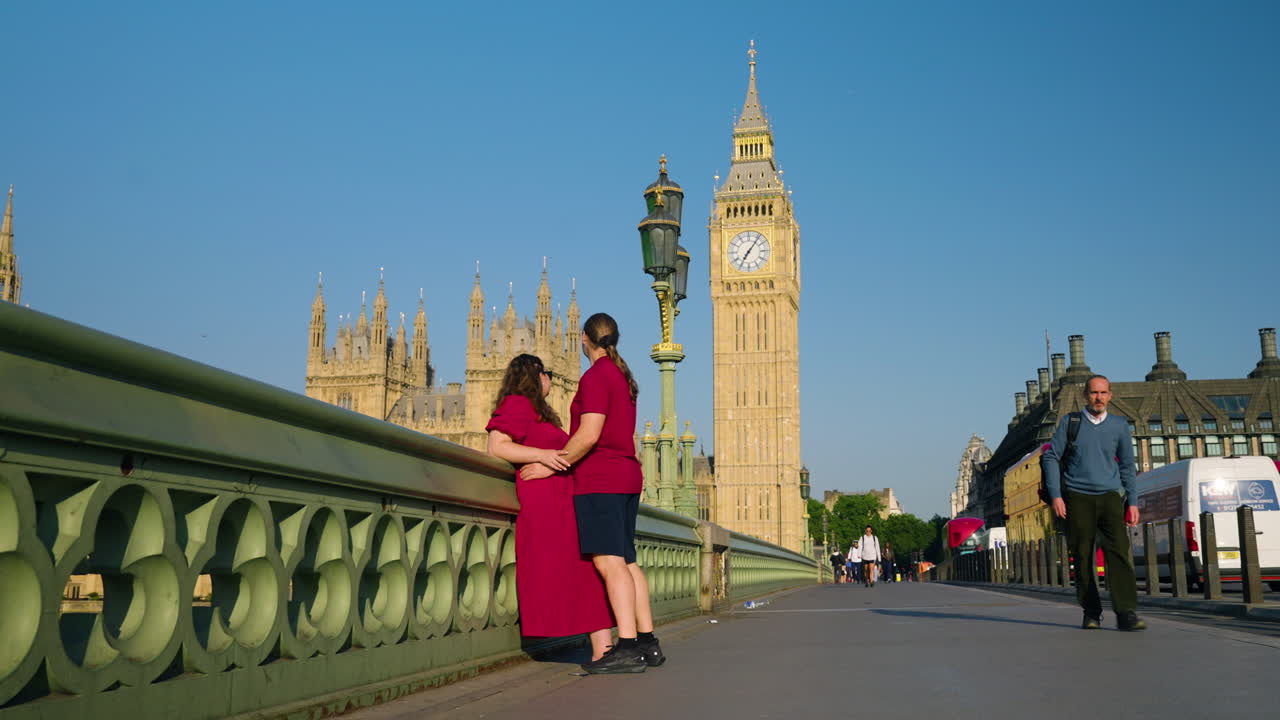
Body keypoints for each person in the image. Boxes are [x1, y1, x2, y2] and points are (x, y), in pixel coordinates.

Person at [485, 354, 615, 660]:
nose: (551, 380)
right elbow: (497, 445)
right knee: (581, 573)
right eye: (547, 374)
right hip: (545, 505)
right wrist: (542, 457)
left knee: (586, 573)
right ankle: (603, 650)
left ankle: (604, 651)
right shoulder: (517, 403)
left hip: (564, 502)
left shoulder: (540, 412)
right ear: (534, 376)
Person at [558, 313, 662, 674]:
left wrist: (555, 462)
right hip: (627, 475)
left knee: (609, 562)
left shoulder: (596, 377)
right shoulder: (622, 376)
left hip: (601, 478)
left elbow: (589, 434)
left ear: (584, 338)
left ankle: (628, 647)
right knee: (628, 560)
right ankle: (649, 643)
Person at [1043, 374, 1145, 631]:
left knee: (1119, 555)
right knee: (1082, 555)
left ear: (1110, 396)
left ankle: (1126, 613)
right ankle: (1091, 612)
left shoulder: (1119, 426)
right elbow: (1051, 458)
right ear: (1085, 396)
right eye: (1093, 393)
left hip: (1111, 497)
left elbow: (1128, 466)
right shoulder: (1070, 422)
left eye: (1103, 393)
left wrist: (1132, 501)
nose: (1098, 398)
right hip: (1078, 498)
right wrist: (1056, 496)